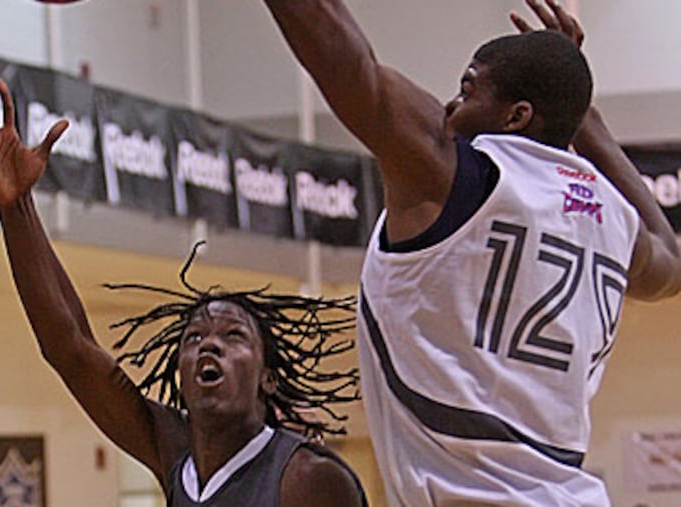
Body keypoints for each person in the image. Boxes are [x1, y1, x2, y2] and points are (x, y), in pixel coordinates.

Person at [261, 0, 681, 505]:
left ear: (517, 115)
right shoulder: (614, 220)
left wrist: (577, 112)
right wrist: (585, 121)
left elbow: (350, 66)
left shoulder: (457, 177)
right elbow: (672, 263)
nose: (449, 106)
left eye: (467, 88)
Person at [0, 78, 368, 507]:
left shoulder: (309, 479)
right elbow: (70, 346)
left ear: (267, 376)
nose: (209, 344)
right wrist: (16, 207)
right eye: (194, 338)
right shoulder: (174, 451)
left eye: (233, 336)